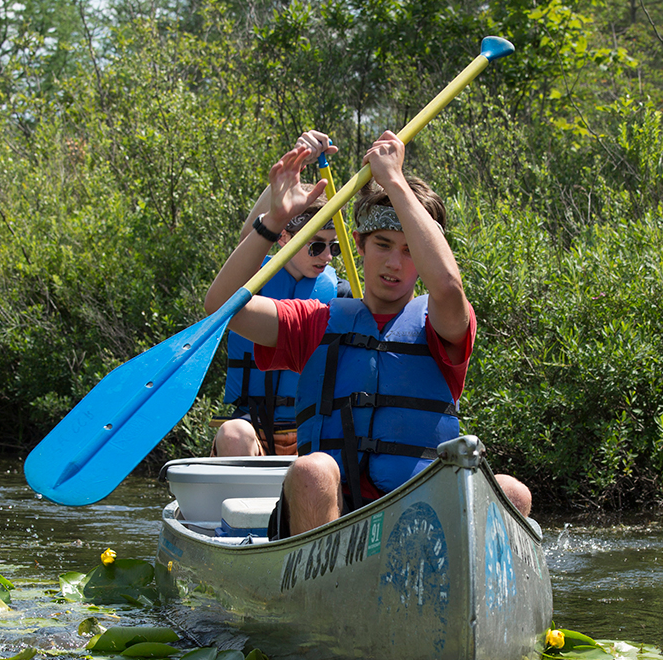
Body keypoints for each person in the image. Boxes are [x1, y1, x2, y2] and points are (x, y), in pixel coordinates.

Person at [204, 130, 532, 535]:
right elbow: (221, 307)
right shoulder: (315, 321)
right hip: (333, 520)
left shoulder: (442, 323)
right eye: (383, 244)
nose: (395, 262)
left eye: (411, 248)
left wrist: (394, 180)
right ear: (359, 244)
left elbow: (447, 286)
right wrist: (272, 221)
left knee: (512, 494)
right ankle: (318, 595)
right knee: (313, 469)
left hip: (419, 518)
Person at [206, 130, 345, 456]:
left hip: (309, 431)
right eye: (316, 245)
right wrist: (286, 172)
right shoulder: (254, 278)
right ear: (284, 238)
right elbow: (248, 237)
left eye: (334, 247)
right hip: (252, 428)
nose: (326, 256)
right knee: (233, 434)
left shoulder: (339, 293)